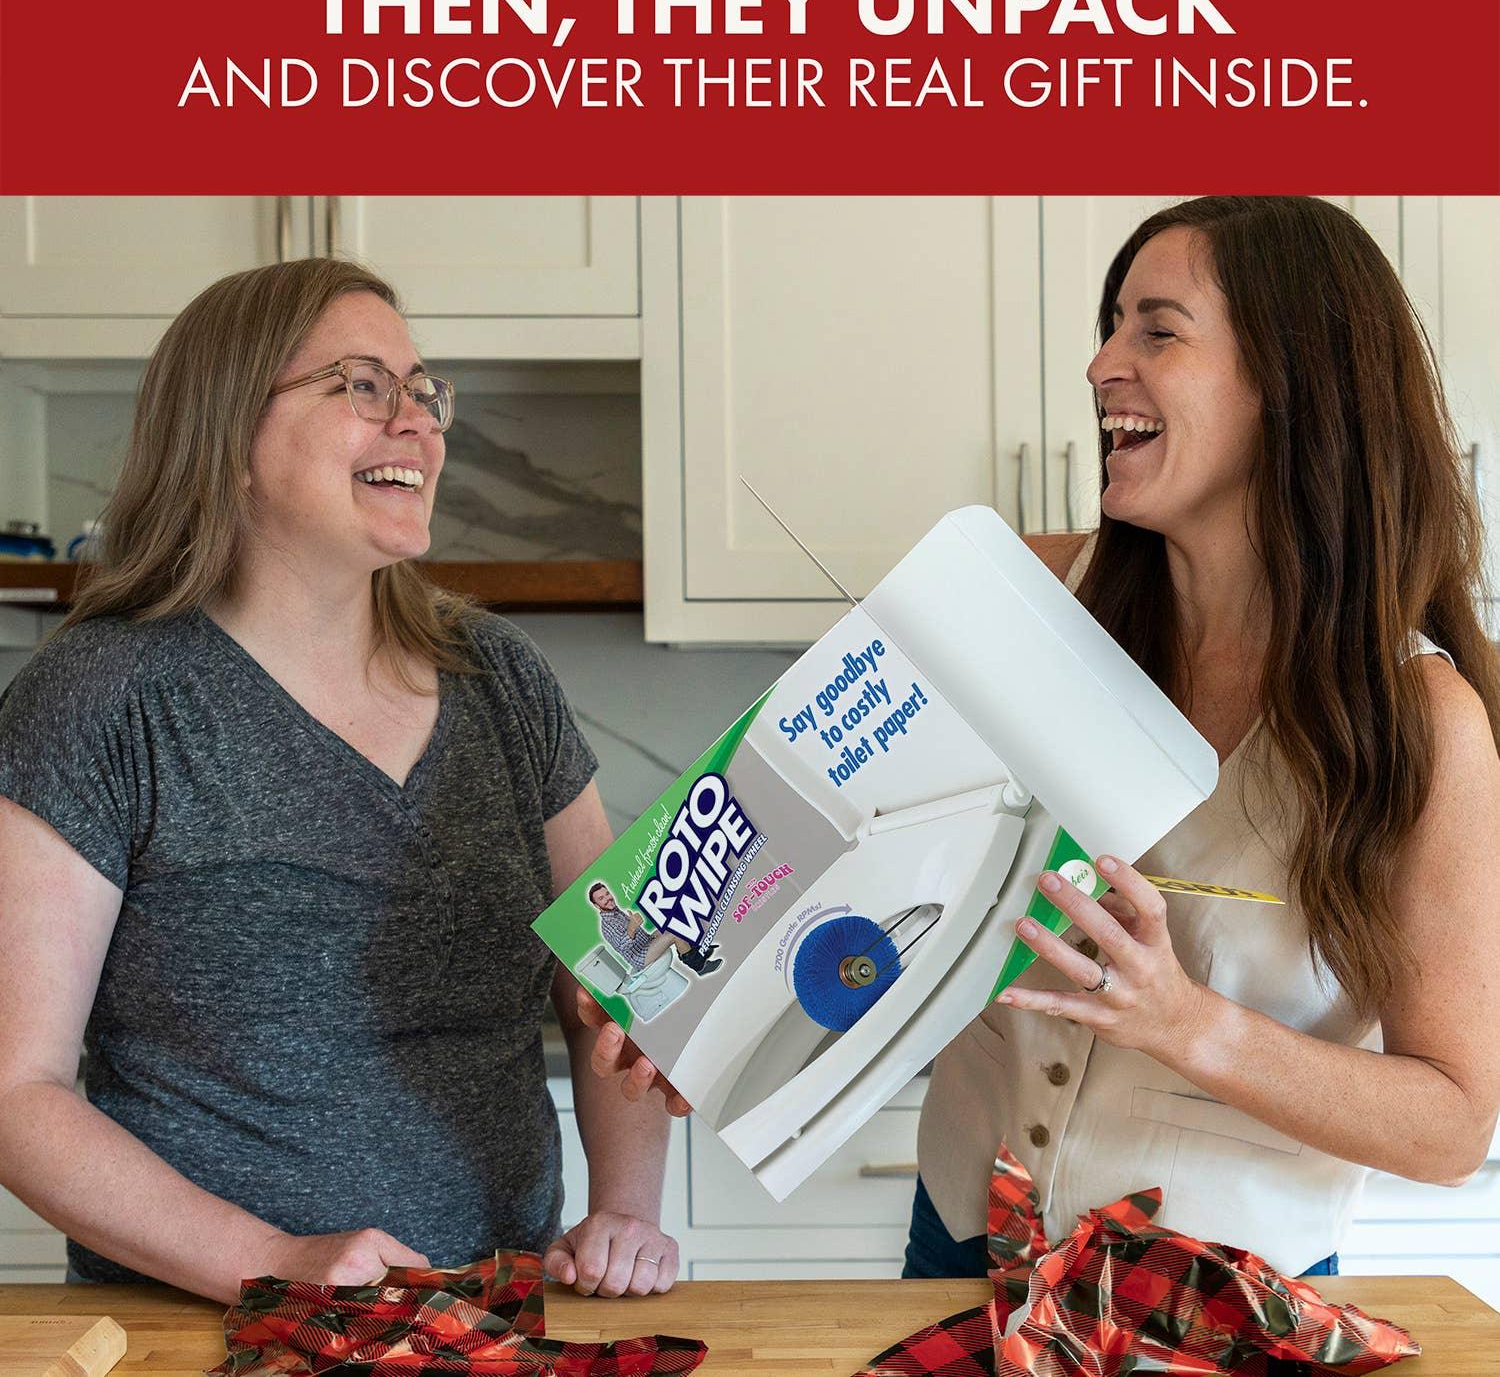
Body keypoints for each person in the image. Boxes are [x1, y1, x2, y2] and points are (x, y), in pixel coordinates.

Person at [586, 196, 1500, 1282]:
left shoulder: (1421, 725)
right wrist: (701, 1014)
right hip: (965, 1252)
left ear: (1294, 384)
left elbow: (1450, 1125)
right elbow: (830, 839)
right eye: (1112, 325)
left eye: (1158, 330)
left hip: (1223, 1302)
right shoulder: (1016, 596)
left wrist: (1184, 1021)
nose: (1103, 362)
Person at [0, 259, 678, 1302]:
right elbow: (16, 1091)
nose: (418, 422)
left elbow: (618, 986)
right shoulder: (102, 698)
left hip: (491, 1322)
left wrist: (627, 1208)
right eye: (363, 385)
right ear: (227, 440)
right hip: (202, 1334)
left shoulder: (502, 681)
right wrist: (271, 1265)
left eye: (424, 390)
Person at [587, 881, 722, 977]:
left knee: (672, 922)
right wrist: (632, 928)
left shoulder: (615, 911)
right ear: (596, 905)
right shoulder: (607, 924)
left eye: (607, 893)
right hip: (641, 957)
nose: (608, 898)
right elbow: (622, 946)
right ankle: (699, 966)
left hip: (646, 942)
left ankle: (693, 952)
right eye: (601, 898)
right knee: (674, 935)